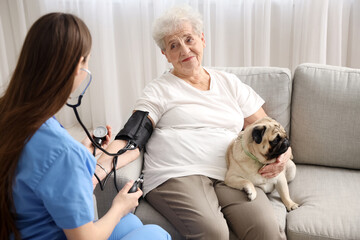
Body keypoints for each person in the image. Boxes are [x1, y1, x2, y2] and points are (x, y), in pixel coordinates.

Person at [0, 12, 170, 240]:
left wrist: (83, 151)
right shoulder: (63, 153)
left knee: (132, 222)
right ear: (77, 66)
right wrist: (119, 205)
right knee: (156, 233)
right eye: (87, 60)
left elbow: (43, 171)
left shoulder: (10, 114)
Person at [133, 5, 292, 240]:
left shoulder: (229, 82)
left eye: (189, 39)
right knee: (214, 233)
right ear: (165, 54)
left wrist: (283, 157)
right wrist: (106, 157)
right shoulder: (158, 89)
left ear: (202, 39)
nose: (185, 50)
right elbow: (134, 132)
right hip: (177, 173)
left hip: (231, 173)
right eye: (174, 45)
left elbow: (269, 125)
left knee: (265, 229)